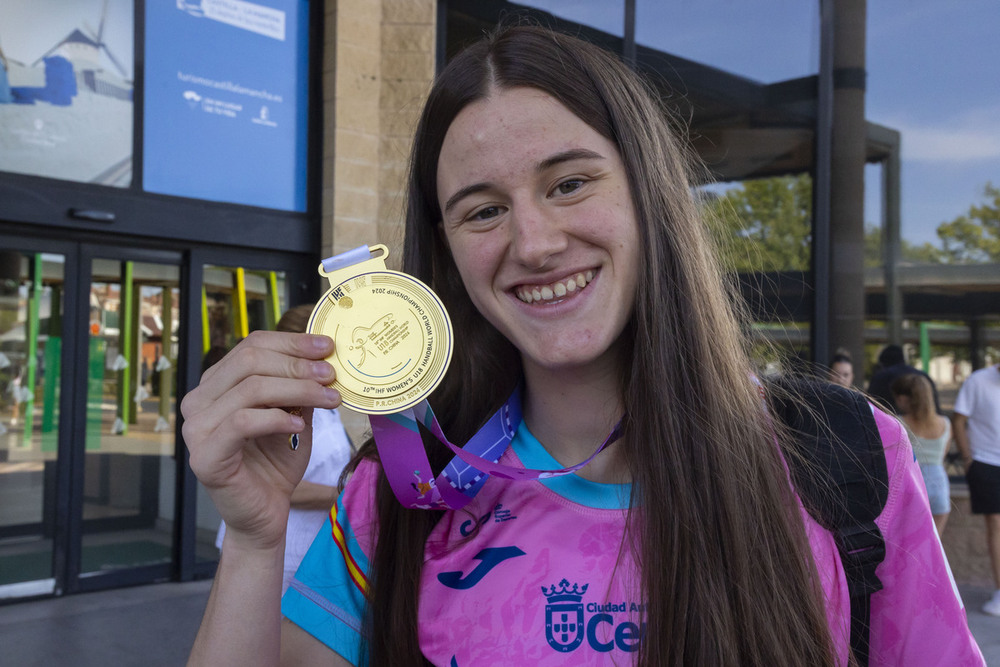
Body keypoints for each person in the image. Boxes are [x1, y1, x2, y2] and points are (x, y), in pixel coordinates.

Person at [181, 26, 983, 666]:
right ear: (448, 249)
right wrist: (255, 542)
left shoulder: (845, 455)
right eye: (482, 209)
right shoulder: (401, 493)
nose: (534, 242)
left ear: (648, 192)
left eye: (569, 183)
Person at [212, 304, 354, 596]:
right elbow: (275, 483)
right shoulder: (274, 401)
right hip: (283, 554)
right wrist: (349, 495)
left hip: (315, 548)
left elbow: (335, 460)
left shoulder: (323, 400)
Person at [953, 362, 1000, 617]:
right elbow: (959, 419)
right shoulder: (978, 380)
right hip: (986, 462)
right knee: (995, 523)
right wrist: (968, 458)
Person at [891, 374, 951, 534]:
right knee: (933, 546)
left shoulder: (898, 423)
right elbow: (943, 455)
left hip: (911, 485)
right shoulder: (945, 423)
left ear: (903, 399)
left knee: (908, 545)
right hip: (939, 486)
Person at [867, 344, 942, 414]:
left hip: (892, 422)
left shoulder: (881, 377)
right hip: (927, 422)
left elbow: (870, 405)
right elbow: (936, 407)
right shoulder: (923, 376)